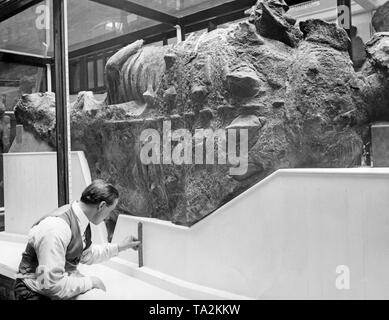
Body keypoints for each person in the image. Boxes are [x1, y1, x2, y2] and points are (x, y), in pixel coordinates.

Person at [13, 179, 140, 300]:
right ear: (101, 206)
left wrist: (121, 247)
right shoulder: (56, 228)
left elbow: (87, 254)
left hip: (47, 288)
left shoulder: (81, 220)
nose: (108, 217)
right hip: (32, 292)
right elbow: (50, 285)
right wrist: (90, 282)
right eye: (110, 211)